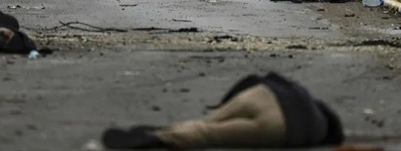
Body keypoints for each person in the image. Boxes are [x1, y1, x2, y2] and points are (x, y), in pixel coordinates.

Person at [102, 72, 344, 149]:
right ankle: (159, 138)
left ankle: (176, 128)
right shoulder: (317, 131)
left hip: (263, 94)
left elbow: (255, 79)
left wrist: (224, 104)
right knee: (210, 135)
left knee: (208, 122)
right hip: (280, 126)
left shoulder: (302, 94)